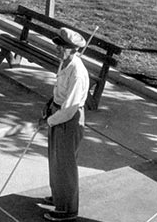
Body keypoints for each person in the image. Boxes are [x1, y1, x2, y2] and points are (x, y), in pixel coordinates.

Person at [38, 27, 90, 222]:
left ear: (74, 49)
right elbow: (59, 92)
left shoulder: (78, 72)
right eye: (57, 45)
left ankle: (68, 209)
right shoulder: (65, 63)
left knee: (66, 164)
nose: (58, 49)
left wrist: (48, 121)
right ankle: (59, 196)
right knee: (55, 159)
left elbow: (70, 109)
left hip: (69, 119)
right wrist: (50, 104)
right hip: (58, 112)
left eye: (63, 47)